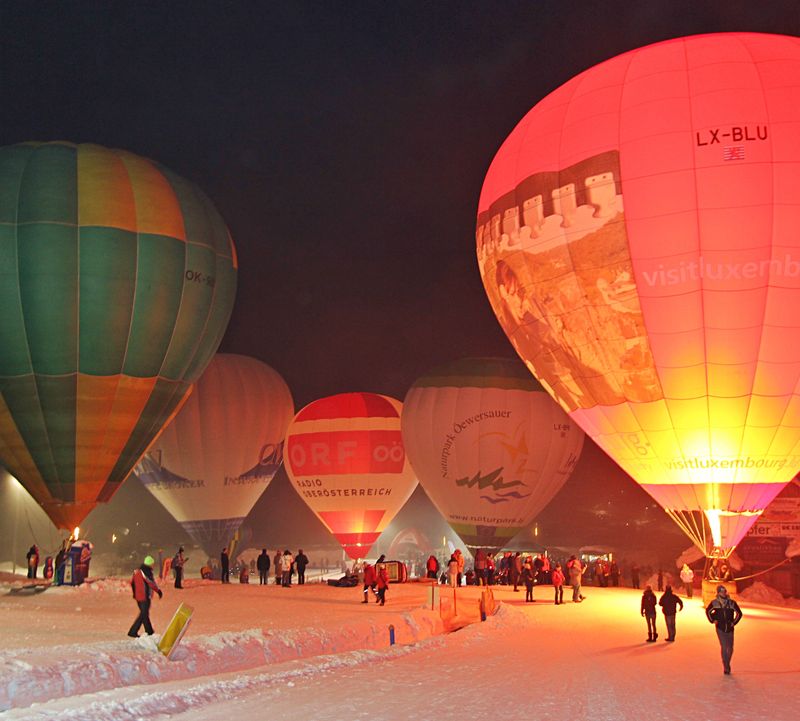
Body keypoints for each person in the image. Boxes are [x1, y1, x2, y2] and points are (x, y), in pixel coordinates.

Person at [706, 584, 743, 675]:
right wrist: (712, 620)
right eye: (721, 591)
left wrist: (733, 622)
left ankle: (727, 663)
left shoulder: (731, 603)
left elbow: (739, 613)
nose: (723, 593)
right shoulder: (715, 602)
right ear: (718, 593)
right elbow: (708, 611)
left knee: (730, 648)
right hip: (720, 628)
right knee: (724, 646)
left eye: (724, 591)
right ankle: (726, 666)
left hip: (730, 629)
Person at [128, 555, 162, 638]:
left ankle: (149, 631)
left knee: (144, 614)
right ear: (150, 564)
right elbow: (151, 583)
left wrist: (135, 593)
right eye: (152, 564)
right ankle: (133, 631)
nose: (153, 565)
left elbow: (132, 582)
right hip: (145, 597)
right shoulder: (147, 572)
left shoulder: (137, 571)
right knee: (144, 614)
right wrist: (158, 591)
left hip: (138, 597)